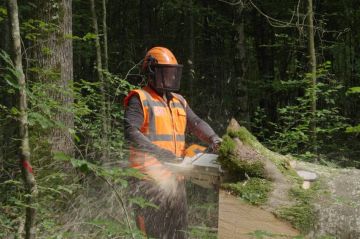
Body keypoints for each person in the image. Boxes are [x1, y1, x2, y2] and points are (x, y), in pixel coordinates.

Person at [124, 46, 222, 239]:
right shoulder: (140, 99)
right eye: (165, 72)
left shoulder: (179, 100)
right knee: (154, 235)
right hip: (148, 183)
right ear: (152, 72)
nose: (170, 77)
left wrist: (213, 138)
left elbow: (195, 122)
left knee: (179, 234)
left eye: (172, 72)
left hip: (176, 180)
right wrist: (159, 153)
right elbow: (130, 132)